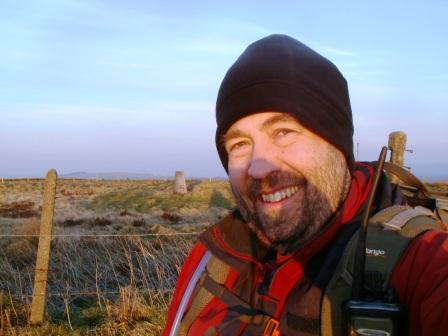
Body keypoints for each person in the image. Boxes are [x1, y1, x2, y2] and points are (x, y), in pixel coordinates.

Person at [163, 34, 448, 336]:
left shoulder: (422, 268)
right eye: (240, 144)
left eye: (283, 132)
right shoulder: (211, 257)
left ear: (337, 144)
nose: (258, 167)